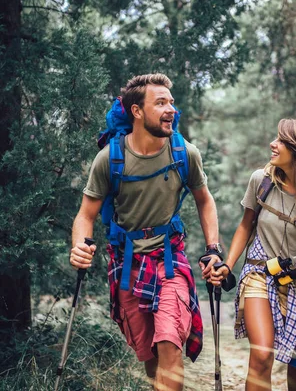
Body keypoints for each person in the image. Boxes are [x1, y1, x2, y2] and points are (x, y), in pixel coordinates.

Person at [69, 73, 222, 391]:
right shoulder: (110, 159)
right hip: (126, 263)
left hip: (169, 260)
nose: (171, 110)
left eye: (172, 102)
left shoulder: (184, 153)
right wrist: (79, 246)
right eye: (161, 103)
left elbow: (205, 201)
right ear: (137, 111)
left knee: (168, 342)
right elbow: (85, 215)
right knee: (151, 355)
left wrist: (213, 248)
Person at [211, 118, 296, 391]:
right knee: (261, 354)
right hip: (260, 272)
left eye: (281, 141)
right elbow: (245, 225)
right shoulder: (261, 181)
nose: (273, 144)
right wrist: (227, 265)